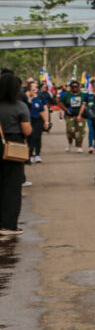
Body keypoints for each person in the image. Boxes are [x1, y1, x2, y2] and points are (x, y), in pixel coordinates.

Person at [0, 73, 32, 237]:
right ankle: (8, 225)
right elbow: (27, 130)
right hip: (14, 145)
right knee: (12, 186)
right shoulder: (20, 106)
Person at [60, 79, 87, 153]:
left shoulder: (83, 95)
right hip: (70, 116)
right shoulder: (67, 95)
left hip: (81, 116)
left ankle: (79, 146)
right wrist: (66, 110)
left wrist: (81, 114)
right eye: (73, 87)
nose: (74, 88)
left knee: (80, 131)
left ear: (79, 87)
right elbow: (61, 103)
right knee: (70, 130)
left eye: (76, 86)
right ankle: (70, 143)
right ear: (70, 87)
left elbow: (85, 104)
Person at [25, 82, 49, 163]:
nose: (34, 89)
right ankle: (30, 154)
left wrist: (46, 121)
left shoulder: (39, 99)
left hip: (37, 120)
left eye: (36, 87)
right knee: (29, 138)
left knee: (36, 137)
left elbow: (43, 111)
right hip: (28, 121)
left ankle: (37, 154)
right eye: (33, 87)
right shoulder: (25, 98)